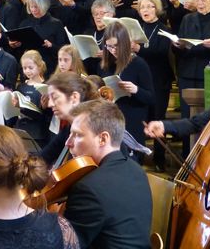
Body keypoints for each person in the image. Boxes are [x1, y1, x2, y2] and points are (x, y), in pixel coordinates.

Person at [63, 100, 152, 249]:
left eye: (77, 135)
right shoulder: (137, 170)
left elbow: (68, 245)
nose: (68, 142)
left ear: (103, 139)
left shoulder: (87, 188)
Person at [174, 0, 210, 156]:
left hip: (209, 73)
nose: (200, 2)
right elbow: (181, 46)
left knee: (206, 117)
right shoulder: (188, 19)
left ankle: (205, 157)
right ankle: (187, 157)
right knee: (187, 117)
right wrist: (177, 44)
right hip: (188, 72)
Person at [98, 21, 155, 149]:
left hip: (132, 119)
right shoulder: (106, 65)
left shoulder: (139, 64)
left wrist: (136, 90)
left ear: (124, 43)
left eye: (116, 46)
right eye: (109, 46)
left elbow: (151, 98)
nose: (113, 50)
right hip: (110, 118)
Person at [134, 0, 174, 171]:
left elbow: (161, 51)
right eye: (143, 7)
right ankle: (138, 155)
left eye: (150, 7)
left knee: (157, 118)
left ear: (156, 9)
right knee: (140, 118)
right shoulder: (136, 28)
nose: (146, 10)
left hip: (159, 80)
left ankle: (159, 158)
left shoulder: (163, 29)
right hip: (140, 80)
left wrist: (139, 49)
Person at [40, 72, 100, 166]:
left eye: (55, 97)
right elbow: (44, 156)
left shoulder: (93, 129)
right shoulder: (69, 128)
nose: (49, 104)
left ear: (74, 97)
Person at [12, 0, 68, 75]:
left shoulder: (56, 24)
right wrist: (16, 45)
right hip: (29, 68)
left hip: (49, 67)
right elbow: (21, 50)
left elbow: (63, 49)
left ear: (43, 5)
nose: (34, 10)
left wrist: (51, 45)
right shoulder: (25, 23)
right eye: (31, 7)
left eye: (36, 7)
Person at [14, 50, 52, 148]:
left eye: (30, 68)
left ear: (39, 67)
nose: (27, 71)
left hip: (38, 133)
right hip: (21, 130)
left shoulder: (46, 86)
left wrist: (45, 107)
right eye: (24, 68)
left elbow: (47, 116)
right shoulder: (21, 87)